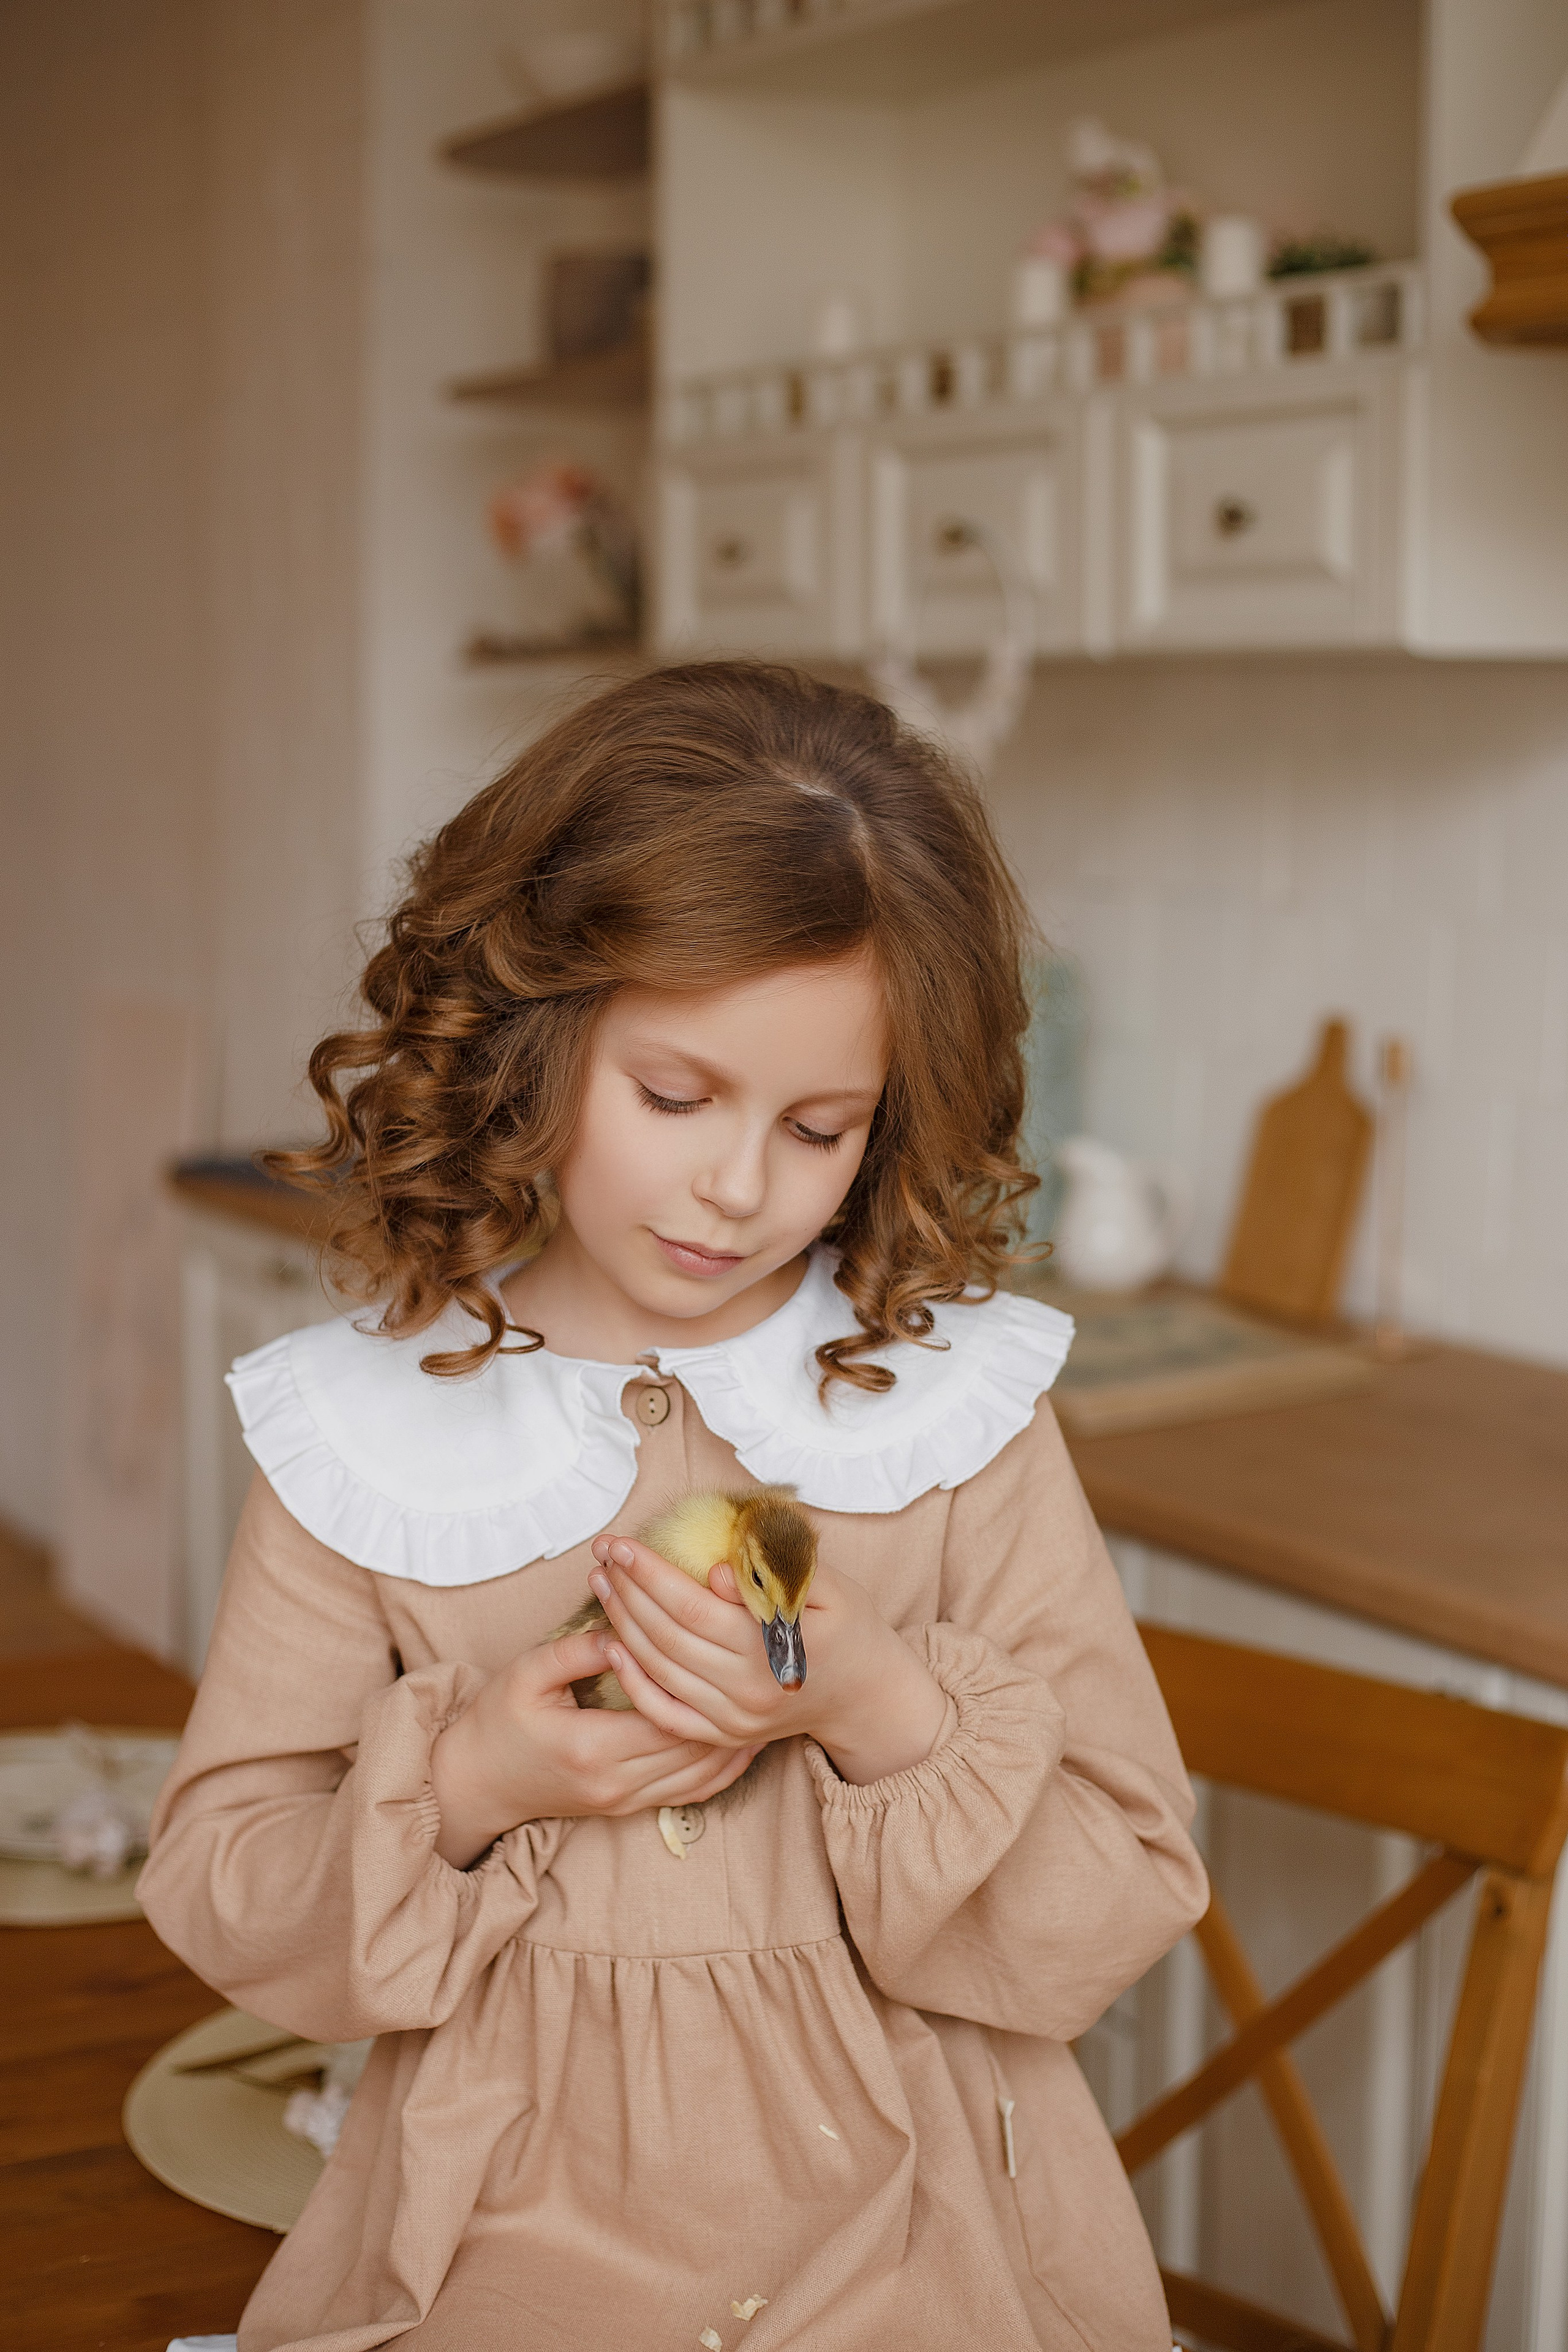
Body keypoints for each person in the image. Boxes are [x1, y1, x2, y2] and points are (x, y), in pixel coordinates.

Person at [141, 662, 1206, 2352]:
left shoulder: (958, 1416)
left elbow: (1122, 1886)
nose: (737, 1187)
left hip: (930, 2241)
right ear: (534, 1035)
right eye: (676, 1098)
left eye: (819, 1128)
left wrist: (884, 1709)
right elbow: (224, 1885)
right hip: (501, 2227)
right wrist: (473, 1777)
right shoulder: (363, 1434)